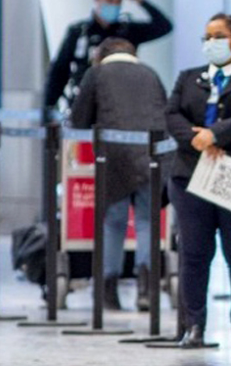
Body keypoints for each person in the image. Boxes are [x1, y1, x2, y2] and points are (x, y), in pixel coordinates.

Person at [165, 13, 231, 350]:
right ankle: (194, 325)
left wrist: (215, 134)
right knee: (194, 254)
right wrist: (196, 139)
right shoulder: (189, 78)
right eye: (207, 37)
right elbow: (171, 115)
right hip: (189, 176)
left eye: (219, 36)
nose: (211, 42)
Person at [68, 38, 167, 312]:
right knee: (147, 222)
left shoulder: (97, 73)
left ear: (101, 55)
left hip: (114, 157)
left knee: (113, 222)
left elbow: (79, 119)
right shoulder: (150, 73)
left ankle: (107, 292)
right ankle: (146, 290)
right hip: (152, 155)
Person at [45, 0, 174, 112]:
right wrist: (48, 107)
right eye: (110, 0)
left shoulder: (128, 31)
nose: (114, 6)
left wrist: (140, 0)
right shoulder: (79, 32)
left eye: (118, 1)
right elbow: (59, 71)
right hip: (84, 106)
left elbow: (164, 26)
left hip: (120, 108)